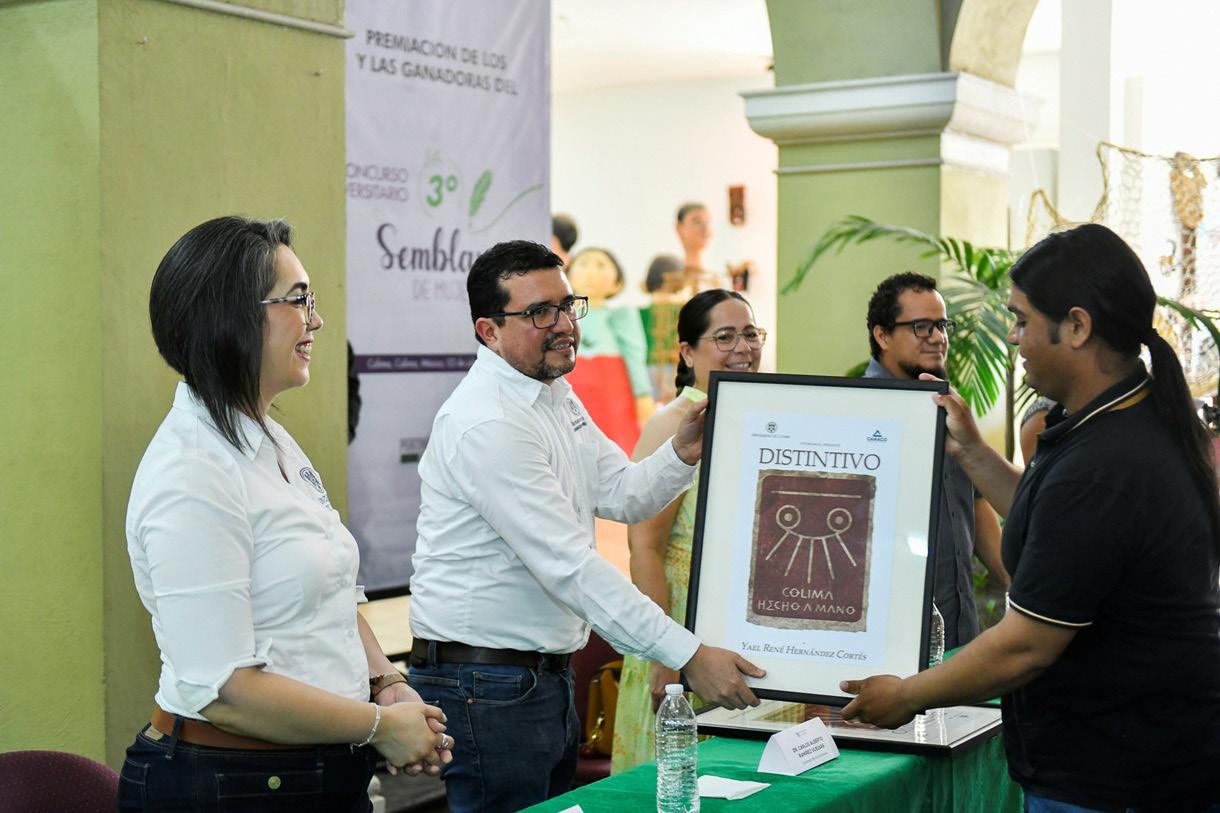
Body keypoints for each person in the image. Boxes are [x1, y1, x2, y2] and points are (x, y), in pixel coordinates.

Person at [841, 224, 1220, 812]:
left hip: (1120, 776)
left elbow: (1025, 646)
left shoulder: (1105, 465)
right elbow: (1053, 523)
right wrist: (973, 451)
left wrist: (907, 694)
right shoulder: (1114, 420)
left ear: (1077, 327)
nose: (1012, 337)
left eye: (1021, 319)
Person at [408, 240, 764, 813]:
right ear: (488, 331)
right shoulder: (488, 421)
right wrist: (687, 653)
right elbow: (570, 567)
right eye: (539, 312)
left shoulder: (552, 393)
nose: (563, 324)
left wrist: (682, 452)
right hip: (486, 683)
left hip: (537, 677)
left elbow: (623, 492)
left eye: (567, 305)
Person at [119, 216, 451, 812]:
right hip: (232, 784)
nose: (315, 321)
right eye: (298, 301)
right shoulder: (192, 471)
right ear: (230, 315)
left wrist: (386, 683)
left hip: (311, 771)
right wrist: (378, 726)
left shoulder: (269, 437)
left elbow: (329, 598)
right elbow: (224, 689)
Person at [611, 289, 765, 773]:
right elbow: (645, 547)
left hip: (747, 622)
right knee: (679, 779)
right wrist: (666, 651)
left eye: (750, 334)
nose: (743, 348)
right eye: (725, 337)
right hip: (680, 621)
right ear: (687, 352)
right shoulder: (672, 425)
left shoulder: (762, 417)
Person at [864, 272, 1008, 647]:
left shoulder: (947, 404)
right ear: (883, 336)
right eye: (921, 327)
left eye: (942, 325)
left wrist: (1018, 583)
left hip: (959, 626)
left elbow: (974, 504)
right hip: (891, 639)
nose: (938, 337)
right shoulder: (859, 413)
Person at [564, 246, 654, 453]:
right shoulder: (559, 316)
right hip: (570, 389)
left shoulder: (622, 316)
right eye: (583, 263)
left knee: (616, 446)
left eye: (601, 265)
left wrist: (643, 394)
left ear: (617, 283)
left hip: (613, 391)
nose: (590, 271)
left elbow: (634, 355)